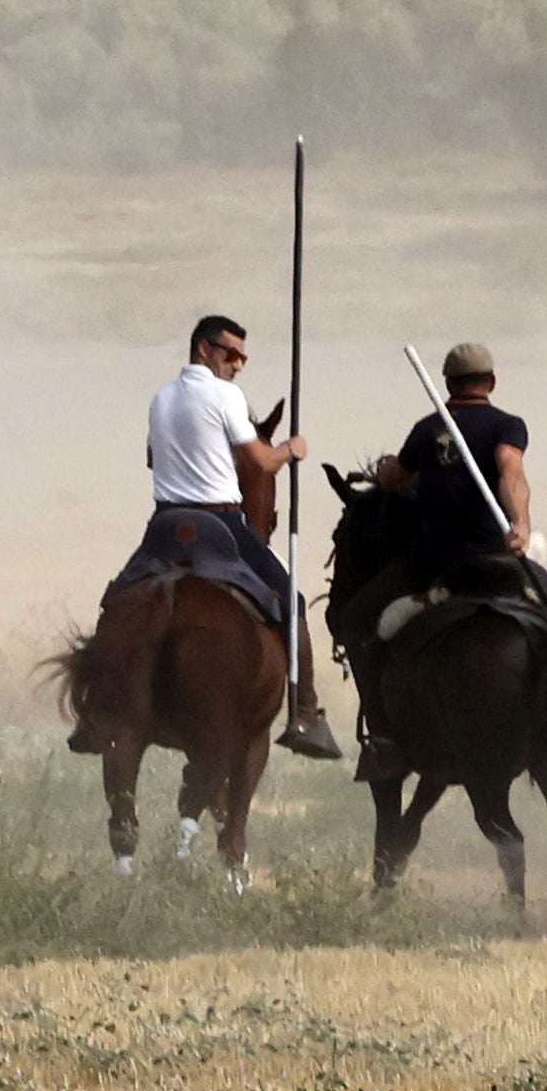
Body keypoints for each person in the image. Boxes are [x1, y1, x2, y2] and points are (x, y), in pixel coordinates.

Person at [336, 343, 547, 778]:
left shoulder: (426, 430)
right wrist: (521, 524)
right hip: (501, 559)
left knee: (357, 619)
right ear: (491, 383)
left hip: (433, 565)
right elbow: (510, 472)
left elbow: (395, 477)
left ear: (447, 384)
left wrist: (386, 472)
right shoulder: (508, 426)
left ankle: (382, 735)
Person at [145, 314, 341, 760]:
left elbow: (153, 460)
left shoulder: (160, 398)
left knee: (118, 596)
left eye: (243, 358)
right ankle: (305, 714)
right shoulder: (225, 395)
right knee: (291, 598)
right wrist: (293, 450)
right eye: (232, 354)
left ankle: (97, 709)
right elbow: (263, 462)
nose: (238, 365)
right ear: (203, 349)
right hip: (221, 526)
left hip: (164, 525)